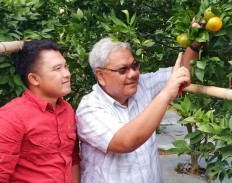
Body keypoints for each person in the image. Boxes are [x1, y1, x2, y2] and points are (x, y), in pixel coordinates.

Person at [76, 37, 202, 183]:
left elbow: (181, 73)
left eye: (134, 66)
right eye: (122, 69)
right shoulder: (89, 108)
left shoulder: (142, 86)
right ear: (100, 75)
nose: (133, 74)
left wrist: (195, 44)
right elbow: (126, 141)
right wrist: (166, 94)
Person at [0, 39, 81, 183]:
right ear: (34, 79)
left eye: (65, 67)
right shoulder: (11, 117)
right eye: (57, 69)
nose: (67, 74)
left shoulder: (67, 110)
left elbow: (73, 159)